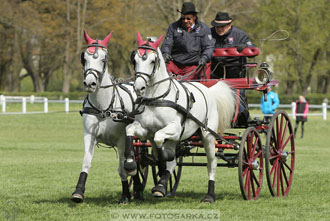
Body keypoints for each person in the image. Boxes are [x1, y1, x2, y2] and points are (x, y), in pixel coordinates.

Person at [161, 2, 214, 80]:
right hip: (175, 64)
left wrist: (205, 57)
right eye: (183, 18)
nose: (185, 21)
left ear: (194, 17)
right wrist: (165, 53)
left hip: (194, 66)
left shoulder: (204, 28)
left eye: (188, 18)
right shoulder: (173, 27)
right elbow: (167, 44)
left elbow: (209, 46)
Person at [210, 12, 255, 79]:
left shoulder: (240, 35)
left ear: (229, 25)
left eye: (222, 26)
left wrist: (246, 46)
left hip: (234, 68)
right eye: (217, 26)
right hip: (215, 67)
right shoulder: (208, 33)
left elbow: (252, 51)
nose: (219, 29)